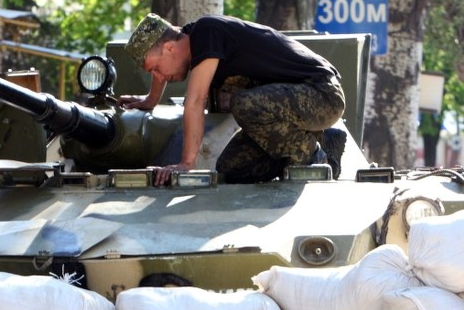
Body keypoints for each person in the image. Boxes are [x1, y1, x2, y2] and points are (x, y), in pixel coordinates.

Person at [121, 13, 347, 184]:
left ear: (170, 47)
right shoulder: (186, 41)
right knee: (232, 169)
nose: (159, 77)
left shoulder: (206, 33)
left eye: (155, 69)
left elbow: (196, 100)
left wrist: (186, 164)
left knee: (245, 104)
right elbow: (161, 63)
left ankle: (316, 157)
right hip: (290, 109)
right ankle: (321, 144)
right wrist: (150, 100)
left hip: (321, 94)